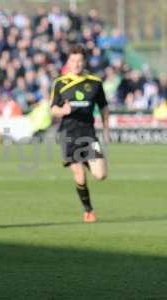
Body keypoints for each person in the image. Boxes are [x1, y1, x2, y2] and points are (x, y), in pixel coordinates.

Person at [50, 44, 109, 223]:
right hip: (68, 134)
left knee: (100, 175)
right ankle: (88, 210)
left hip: (89, 134)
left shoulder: (95, 82)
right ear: (69, 61)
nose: (76, 64)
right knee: (80, 175)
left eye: (80, 60)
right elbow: (53, 109)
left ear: (84, 62)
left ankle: (86, 160)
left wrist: (106, 130)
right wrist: (63, 111)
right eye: (73, 60)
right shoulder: (60, 83)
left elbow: (104, 107)